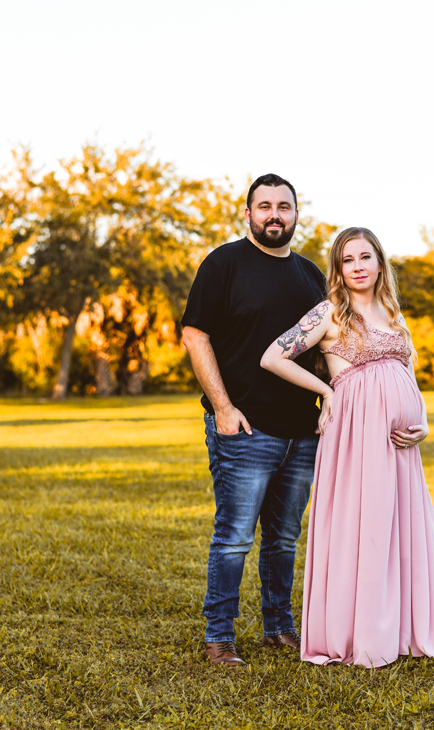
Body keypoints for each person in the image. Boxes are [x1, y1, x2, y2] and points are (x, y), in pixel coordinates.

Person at [260, 227, 434, 668]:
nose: (357, 267)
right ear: (338, 268)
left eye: (365, 257)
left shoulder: (394, 314)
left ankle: (403, 628)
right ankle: (359, 631)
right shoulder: (330, 313)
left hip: (400, 444)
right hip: (354, 433)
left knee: (400, 525)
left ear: (379, 263)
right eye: (347, 259)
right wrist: (328, 391)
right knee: (364, 524)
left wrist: (423, 422)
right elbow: (273, 356)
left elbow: (408, 374)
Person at [180, 173, 327, 668]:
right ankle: (219, 636)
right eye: (263, 206)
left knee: (284, 537)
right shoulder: (223, 264)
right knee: (236, 537)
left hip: (301, 433)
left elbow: (329, 351)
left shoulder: (312, 276)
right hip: (244, 428)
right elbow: (195, 337)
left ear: (296, 214)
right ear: (247, 213)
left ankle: (278, 627)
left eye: (283, 207)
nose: (273, 215)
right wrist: (223, 407)